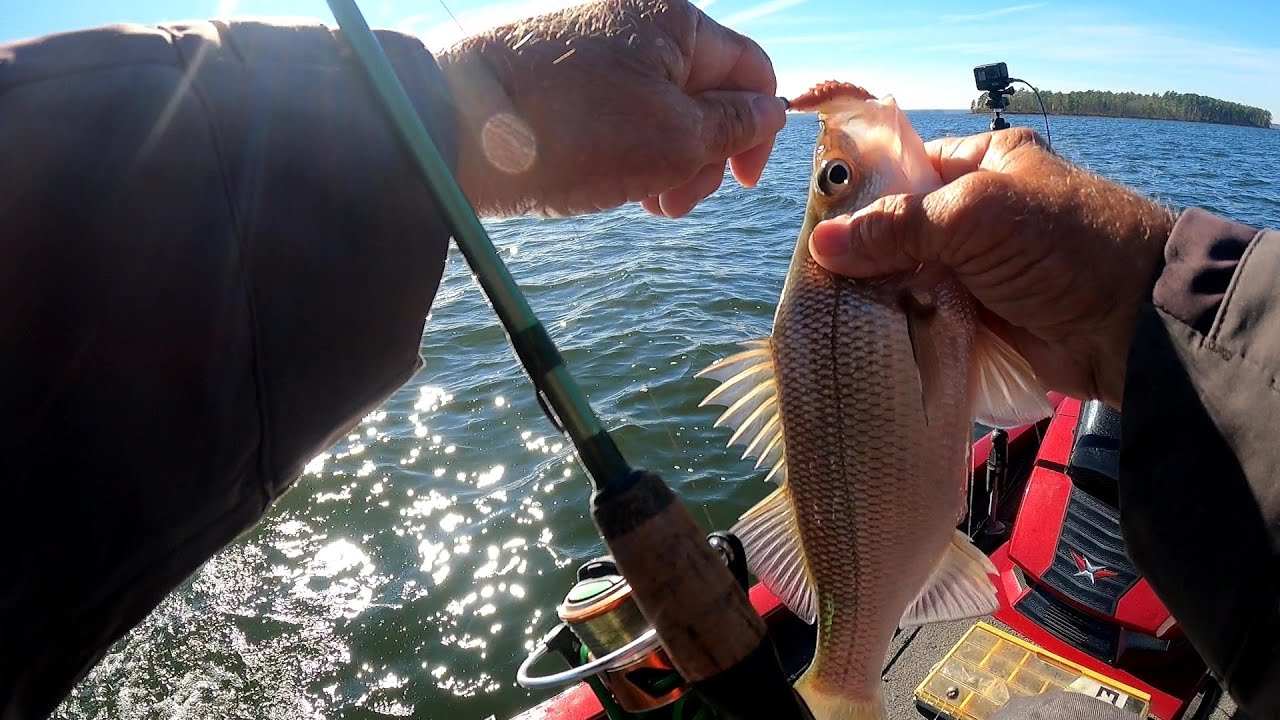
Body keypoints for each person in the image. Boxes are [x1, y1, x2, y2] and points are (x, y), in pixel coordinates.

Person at [0, 0, 1274, 718]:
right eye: (837, 184)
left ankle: (847, 668)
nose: (854, 176)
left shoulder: (899, 297)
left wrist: (472, 104)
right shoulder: (912, 297)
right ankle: (847, 676)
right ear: (858, 223)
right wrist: (1135, 301)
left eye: (832, 182)